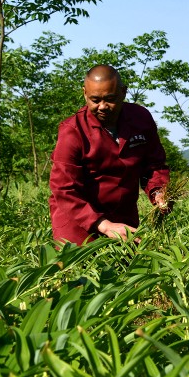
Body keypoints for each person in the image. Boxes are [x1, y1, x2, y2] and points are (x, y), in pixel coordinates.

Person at [49, 64, 170, 246]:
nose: (102, 107)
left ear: (123, 92)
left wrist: (158, 192)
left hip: (123, 218)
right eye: (95, 100)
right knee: (83, 272)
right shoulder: (72, 131)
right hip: (78, 223)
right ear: (84, 94)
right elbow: (64, 188)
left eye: (110, 99)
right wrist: (104, 225)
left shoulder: (140, 119)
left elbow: (154, 165)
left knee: (125, 270)